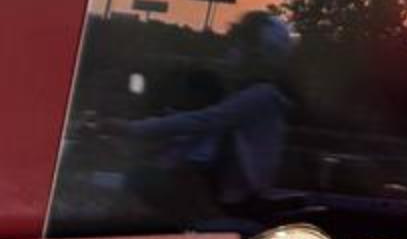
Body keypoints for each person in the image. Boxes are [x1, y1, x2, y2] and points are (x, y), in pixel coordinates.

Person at [123, 11, 297, 228]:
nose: (233, 50)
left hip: (232, 201)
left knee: (141, 179)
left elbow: (203, 121)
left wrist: (129, 129)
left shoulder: (261, 96)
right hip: (226, 195)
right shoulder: (250, 94)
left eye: (241, 44)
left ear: (260, 54)